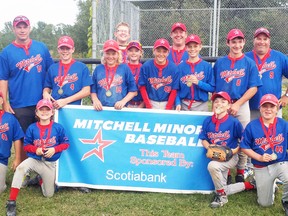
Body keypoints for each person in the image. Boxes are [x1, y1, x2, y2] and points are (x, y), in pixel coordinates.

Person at [0, 15, 54, 161]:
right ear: (14, 29)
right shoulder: (6, 53)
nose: (22, 30)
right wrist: (5, 102)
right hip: (19, 103)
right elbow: (3, 79)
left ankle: (44, 171)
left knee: (45, 136)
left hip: (42, 102)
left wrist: (49, 92)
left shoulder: (41, 47)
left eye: (25, 27)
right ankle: (25, 170)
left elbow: (51, 72)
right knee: (24, 139)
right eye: (19, 27)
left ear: (30, 28)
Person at [213, 28, 262, 183]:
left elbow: (253, 87)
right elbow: (214, 86)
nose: (237, 45)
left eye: (239, 41)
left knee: (243, 139)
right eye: (233, 41)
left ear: (244, 43)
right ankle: (226, 171)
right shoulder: (220, 62)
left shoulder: (249, 63)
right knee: (223, 138)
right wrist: (222, 105)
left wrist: (238, 104)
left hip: (241, 104)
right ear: (228, 43)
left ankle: (241, 170)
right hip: (222, 104)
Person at [6, 99, 69, 216]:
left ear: (52, 112)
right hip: (35, 160)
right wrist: (36, 149)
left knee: (48, 194)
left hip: (50, 164)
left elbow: (66, 143)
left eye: (47, 110)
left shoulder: (58, 127)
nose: (44, 112)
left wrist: (54, 149)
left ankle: (40, 179)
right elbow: (26, 145)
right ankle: (11, 202)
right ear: (36, 112)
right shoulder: (32, 128)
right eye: (41, 110)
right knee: (21, 168)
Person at [199, 91, 255, 208]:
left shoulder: (234, 122)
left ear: (229, 106)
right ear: (213, 104)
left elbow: (244, 141)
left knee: (212, 166)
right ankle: (250, 185)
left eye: (223, 102)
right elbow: (203, 138)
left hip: (231, 157)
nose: (219, 104)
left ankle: (221, 198)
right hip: (215, 156)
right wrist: (209, 147)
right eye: (216, 101)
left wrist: (233, 151)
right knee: (222, 187)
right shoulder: (207, 121)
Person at [240, 94, 288, 214]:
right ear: (260, 108)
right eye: (265, 106)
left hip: (280, 163)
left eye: (272, 106)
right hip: (261, 166)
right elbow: (244, 146)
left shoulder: (283, 124)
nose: (268, 109)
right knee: (265, 204)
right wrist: (259, 157)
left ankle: (286, 201)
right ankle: (270, 185)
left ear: (277, 109)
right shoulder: (252, 126)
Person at [245, 27, 288, 119]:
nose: (262, 42)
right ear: (254, 41)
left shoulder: (279, 57)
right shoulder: (245, 58)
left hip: (272, 108)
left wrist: (287, 96)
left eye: (265, 39)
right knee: (252, 132)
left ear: (269, 41)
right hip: (250, 108)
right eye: (259, 39)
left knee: (274, 133)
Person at [43, 35, 92, 109]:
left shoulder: (82, 67)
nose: (65, 51)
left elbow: (87, 91)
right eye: (62, 48)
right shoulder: (53, 68)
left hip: (74, 108)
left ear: (73, 49)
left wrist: (66, 101)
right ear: (58, 49)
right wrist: (45, 93)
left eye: (68, 48)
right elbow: (47, 86)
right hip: (56, 107)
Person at [91, 39, 137, 111]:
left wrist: (123, 101)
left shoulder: (124, 68)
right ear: (104, 54)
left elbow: (133, 90)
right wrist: (95, 100)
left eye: (113, 53)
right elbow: (93, 90)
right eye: (108, 53)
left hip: (120, 110)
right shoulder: (98, 69)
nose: (110, 56)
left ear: (118, 54)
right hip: (101, 109)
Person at [175, 34, 215, 111]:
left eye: (195, 46)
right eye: (190, 46)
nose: (192, 49)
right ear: (186, 48)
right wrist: (177, 102)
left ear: (200, 47)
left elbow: (212, 88)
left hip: (201, 104)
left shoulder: (206, 66)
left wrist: (199, 83)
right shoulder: (180, 67)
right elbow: (176, 89)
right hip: (184, 104)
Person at [138, 38, 179, 110]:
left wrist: (168, 107)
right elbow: (142, 87)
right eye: (158, 51)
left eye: (164, 51)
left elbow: (174, 90)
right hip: (151, 102)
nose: (161, 54)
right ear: (154, 51)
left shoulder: (173, 68)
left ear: (168, 53)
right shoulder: (146, 66)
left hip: (167, 102)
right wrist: (148, 105)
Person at [0, 91, 24, 195]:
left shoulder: (10, 118)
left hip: (1, 159)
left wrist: (17, 158)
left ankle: (3, 184)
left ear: (1, 100)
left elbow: (17, 138)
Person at [126, 40, 144, 108]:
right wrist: (126, 104)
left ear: (141, 53)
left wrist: (142, 105)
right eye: (131, 50)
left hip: (141, 104)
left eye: (136, 51)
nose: (133, 53)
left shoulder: (144, 68)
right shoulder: (124, 68)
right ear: (127, 52)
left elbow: (148, 90)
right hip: (126, 104)